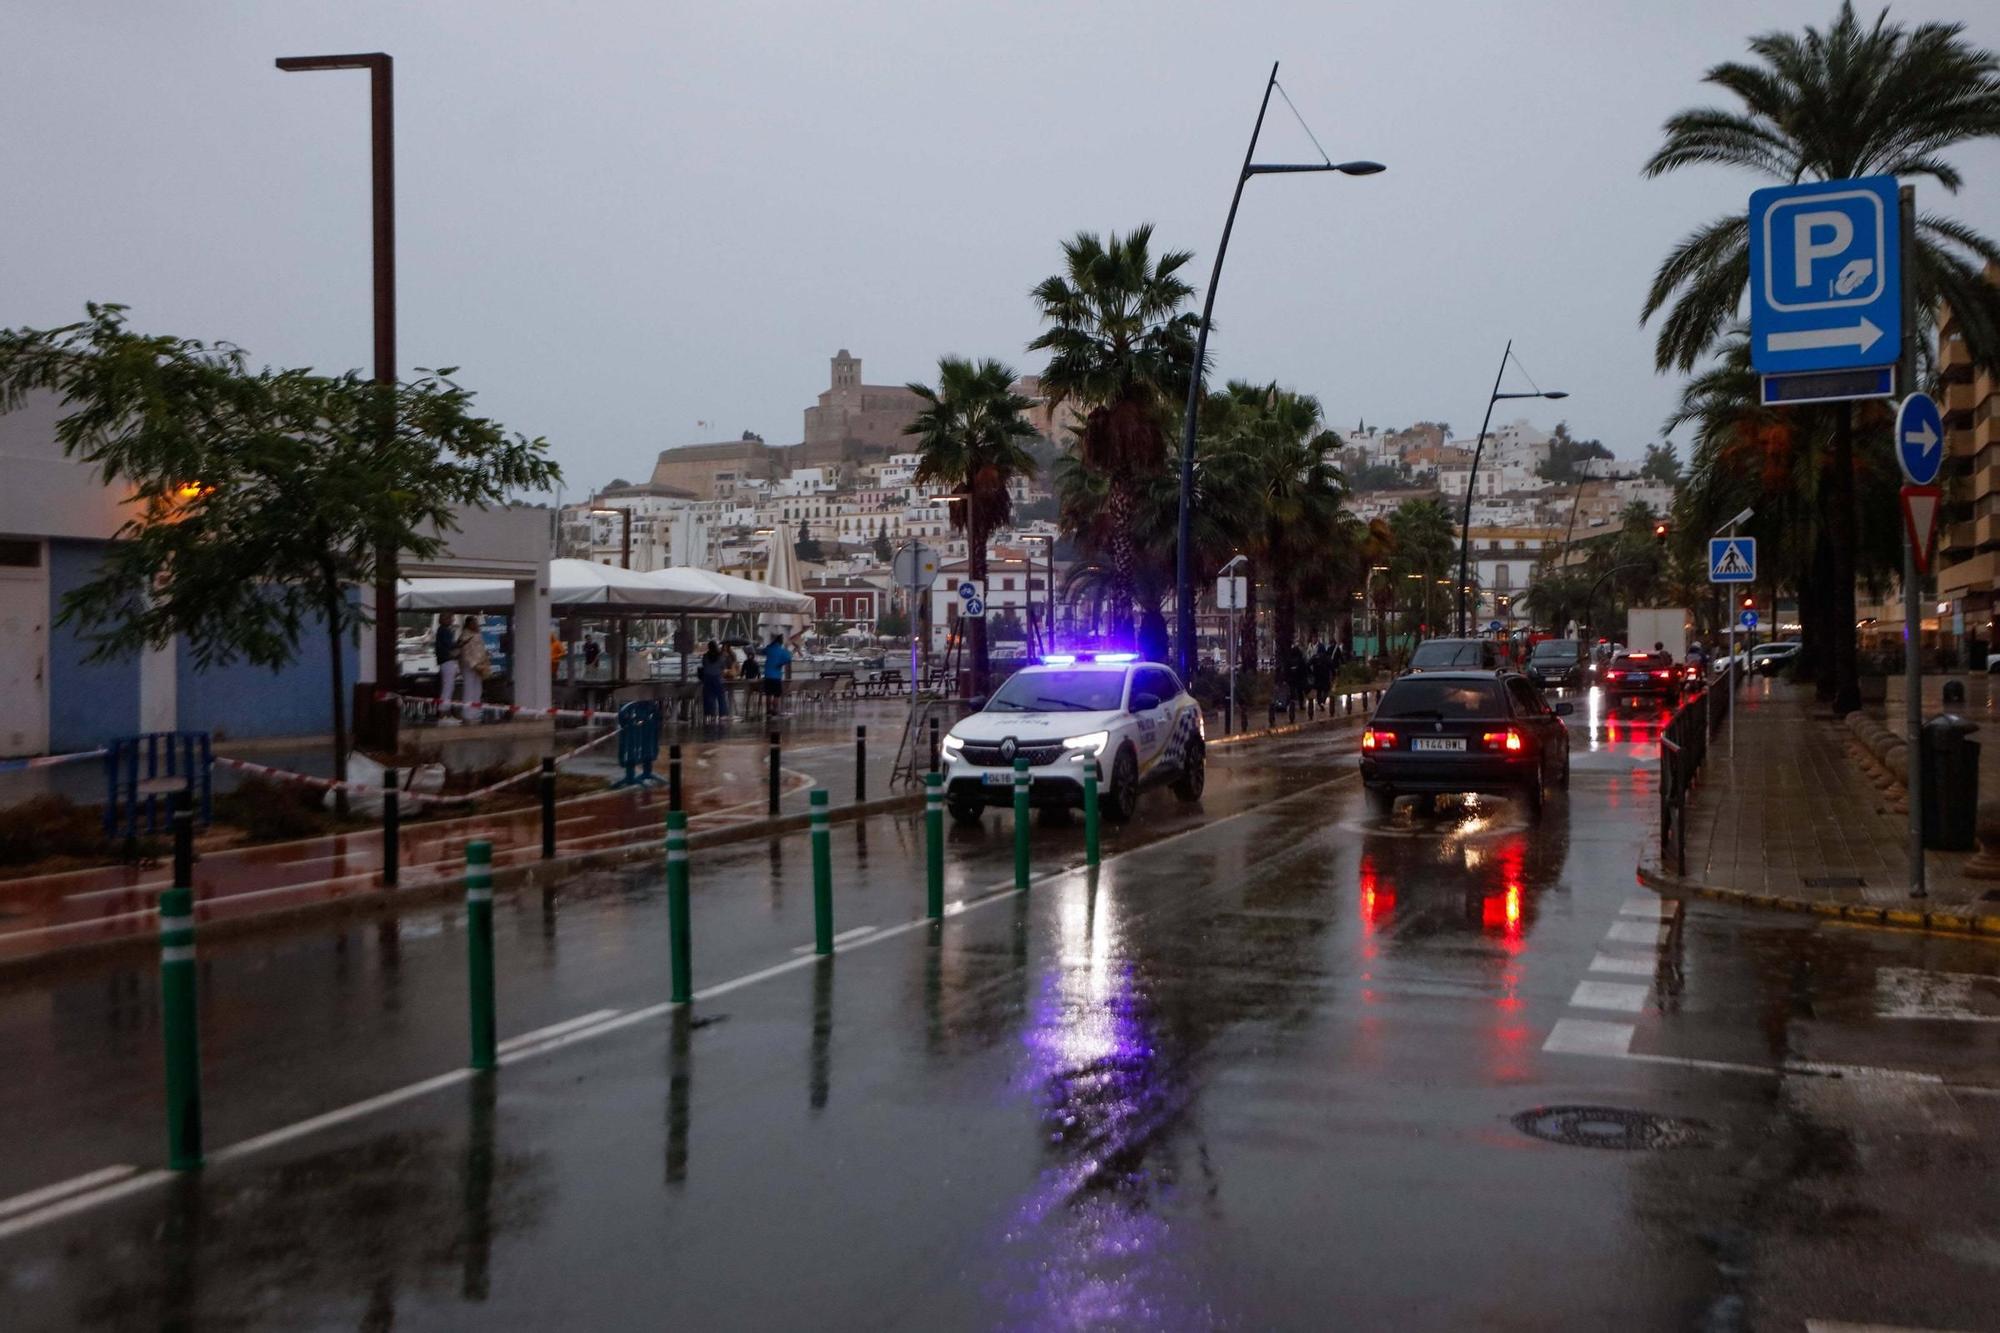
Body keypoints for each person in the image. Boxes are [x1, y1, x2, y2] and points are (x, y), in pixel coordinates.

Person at [457, 615, 491, 715]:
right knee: (469, 688)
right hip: (470, 665)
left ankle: (476, 710)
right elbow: (466, 652)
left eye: (476, 623)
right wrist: (473, 664)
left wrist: (485, 657)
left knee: (478, 689)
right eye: (474, 623)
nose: (477, 625)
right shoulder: (465, 636)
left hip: (479, 664)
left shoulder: (478, 634)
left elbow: (480, 649)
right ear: (469, 624)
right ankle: (467, 712)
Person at [761, 632, 794, 718]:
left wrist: (769, 646)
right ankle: (775, 710)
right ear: (781, 642)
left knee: (768, 694)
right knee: (776, 694)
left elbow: (763, 651)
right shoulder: (782, 651)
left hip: (767, 675)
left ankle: (768, 710)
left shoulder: (770, 649)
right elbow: (789, 658)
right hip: (776, 676)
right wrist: (780, 663)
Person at [699, 640, 728, 722]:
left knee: (708, 697)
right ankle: (722, 715)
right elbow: (723, 667)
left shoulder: (705, 656)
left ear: (709, 647)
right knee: (721, 697)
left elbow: (704, 665)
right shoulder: (720, 656)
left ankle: (709, 714)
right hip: (717, 678)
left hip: (707, 678)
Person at [435, 616, 459, 708]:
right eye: (450, 618)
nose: (452, 620)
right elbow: (449, 645)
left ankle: (445, 710)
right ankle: (444, 711)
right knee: (448, 687)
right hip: (447, 659)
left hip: (445, 660)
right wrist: (458, 644)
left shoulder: (442, 630)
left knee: (448, 686)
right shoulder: (444, 630)